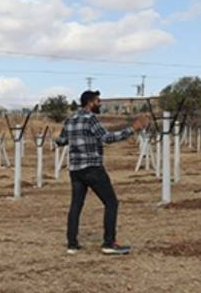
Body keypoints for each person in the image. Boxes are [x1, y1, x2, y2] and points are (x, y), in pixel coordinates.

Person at [55, 90, 150, 255]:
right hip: (93, 168)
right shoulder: (91, 119)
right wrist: (132, 129)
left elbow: (61, 141)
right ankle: (109, 243)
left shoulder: (70, 120)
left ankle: (72, 244)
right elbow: (107, 138)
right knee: (111, 203)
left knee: (76, 205)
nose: (100, 104)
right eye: (98, 101)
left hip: (75, 170)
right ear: (91, 103)